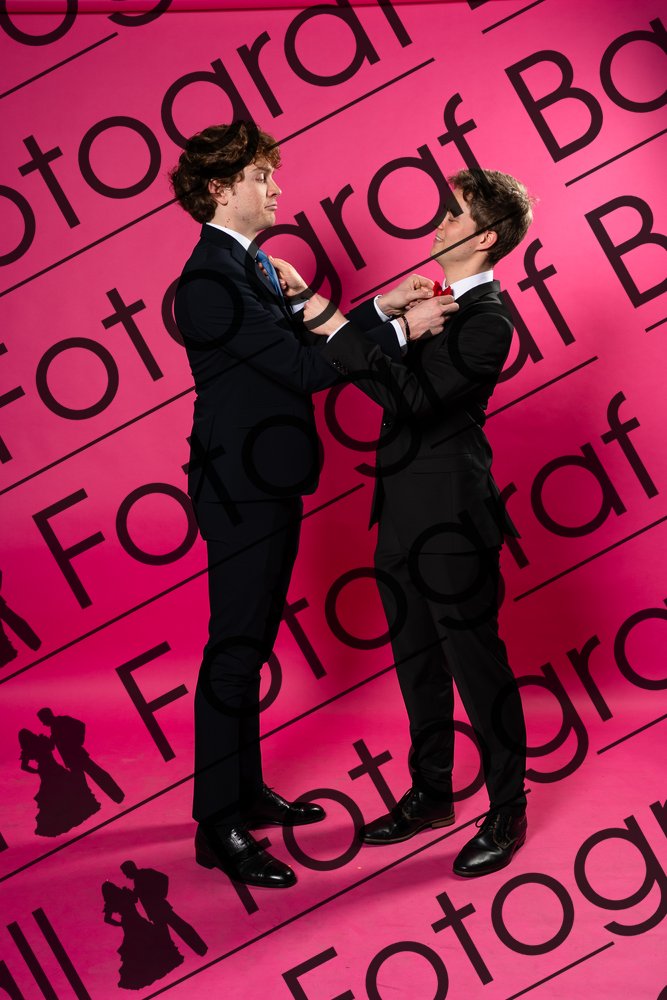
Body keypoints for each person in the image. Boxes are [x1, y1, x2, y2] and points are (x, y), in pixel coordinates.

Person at [169, 121, 451, 889]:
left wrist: (379, 305)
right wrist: (398, 324)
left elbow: (307, 342)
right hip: (240, 489)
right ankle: (216, 824)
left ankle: (242, 791)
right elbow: (304, 370)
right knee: (234, 651)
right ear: (219, 187)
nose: (277, 188)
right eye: (261, 176)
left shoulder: (251, 266)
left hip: (270, 482)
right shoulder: (209, 281)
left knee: (252, 644)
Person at [274, 168, 533, 877]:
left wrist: (328, 314)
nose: (439, 223)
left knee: (476, 667)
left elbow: (412, 401)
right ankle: (430, 794)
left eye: (454, 215)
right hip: (398, 513)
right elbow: (380, 373)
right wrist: (390, 320)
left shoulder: (490, 322)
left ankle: (507, 809)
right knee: (417, 662)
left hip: (453, 521)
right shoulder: (435, 303)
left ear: (485, 238)